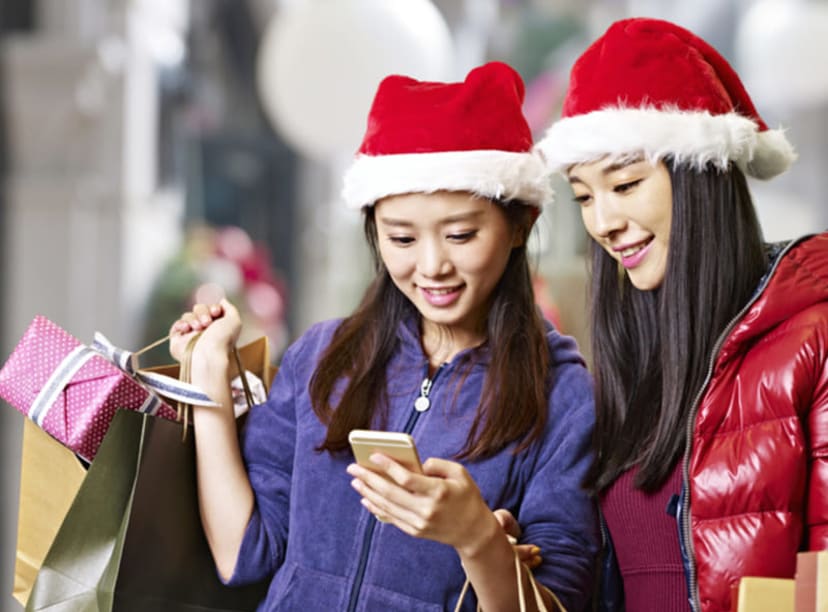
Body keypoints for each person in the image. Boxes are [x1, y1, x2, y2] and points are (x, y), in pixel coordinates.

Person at [169, 61, 599, 611]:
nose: (431, 265)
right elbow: (242, 554)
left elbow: (560, 601)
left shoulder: (562, 399)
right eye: (401, 237)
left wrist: (477, 538)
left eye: (461, 234)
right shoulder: (321, 358)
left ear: (521, 224)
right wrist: (207, 374)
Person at [532, 17, 828, 612]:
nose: (603, 222)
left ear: (700, 178)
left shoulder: (812, 340)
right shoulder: (630, 360)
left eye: (626, 183)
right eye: (585, 195)